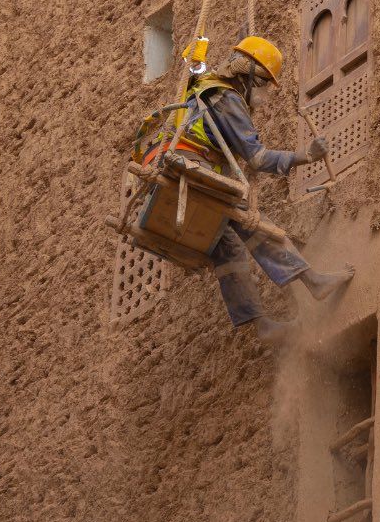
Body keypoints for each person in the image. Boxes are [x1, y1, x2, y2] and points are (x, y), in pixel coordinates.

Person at [147, 36, 352, 339]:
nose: (267, 92)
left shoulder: (208, 89)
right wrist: (305, 156)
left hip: (182, 171)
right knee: (256, 224)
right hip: (195, 170)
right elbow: (257, 158)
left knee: (226, 246)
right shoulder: (227, 98)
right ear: (250, 76)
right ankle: (312, 281)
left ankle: (261, 325)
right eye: (266, 83)